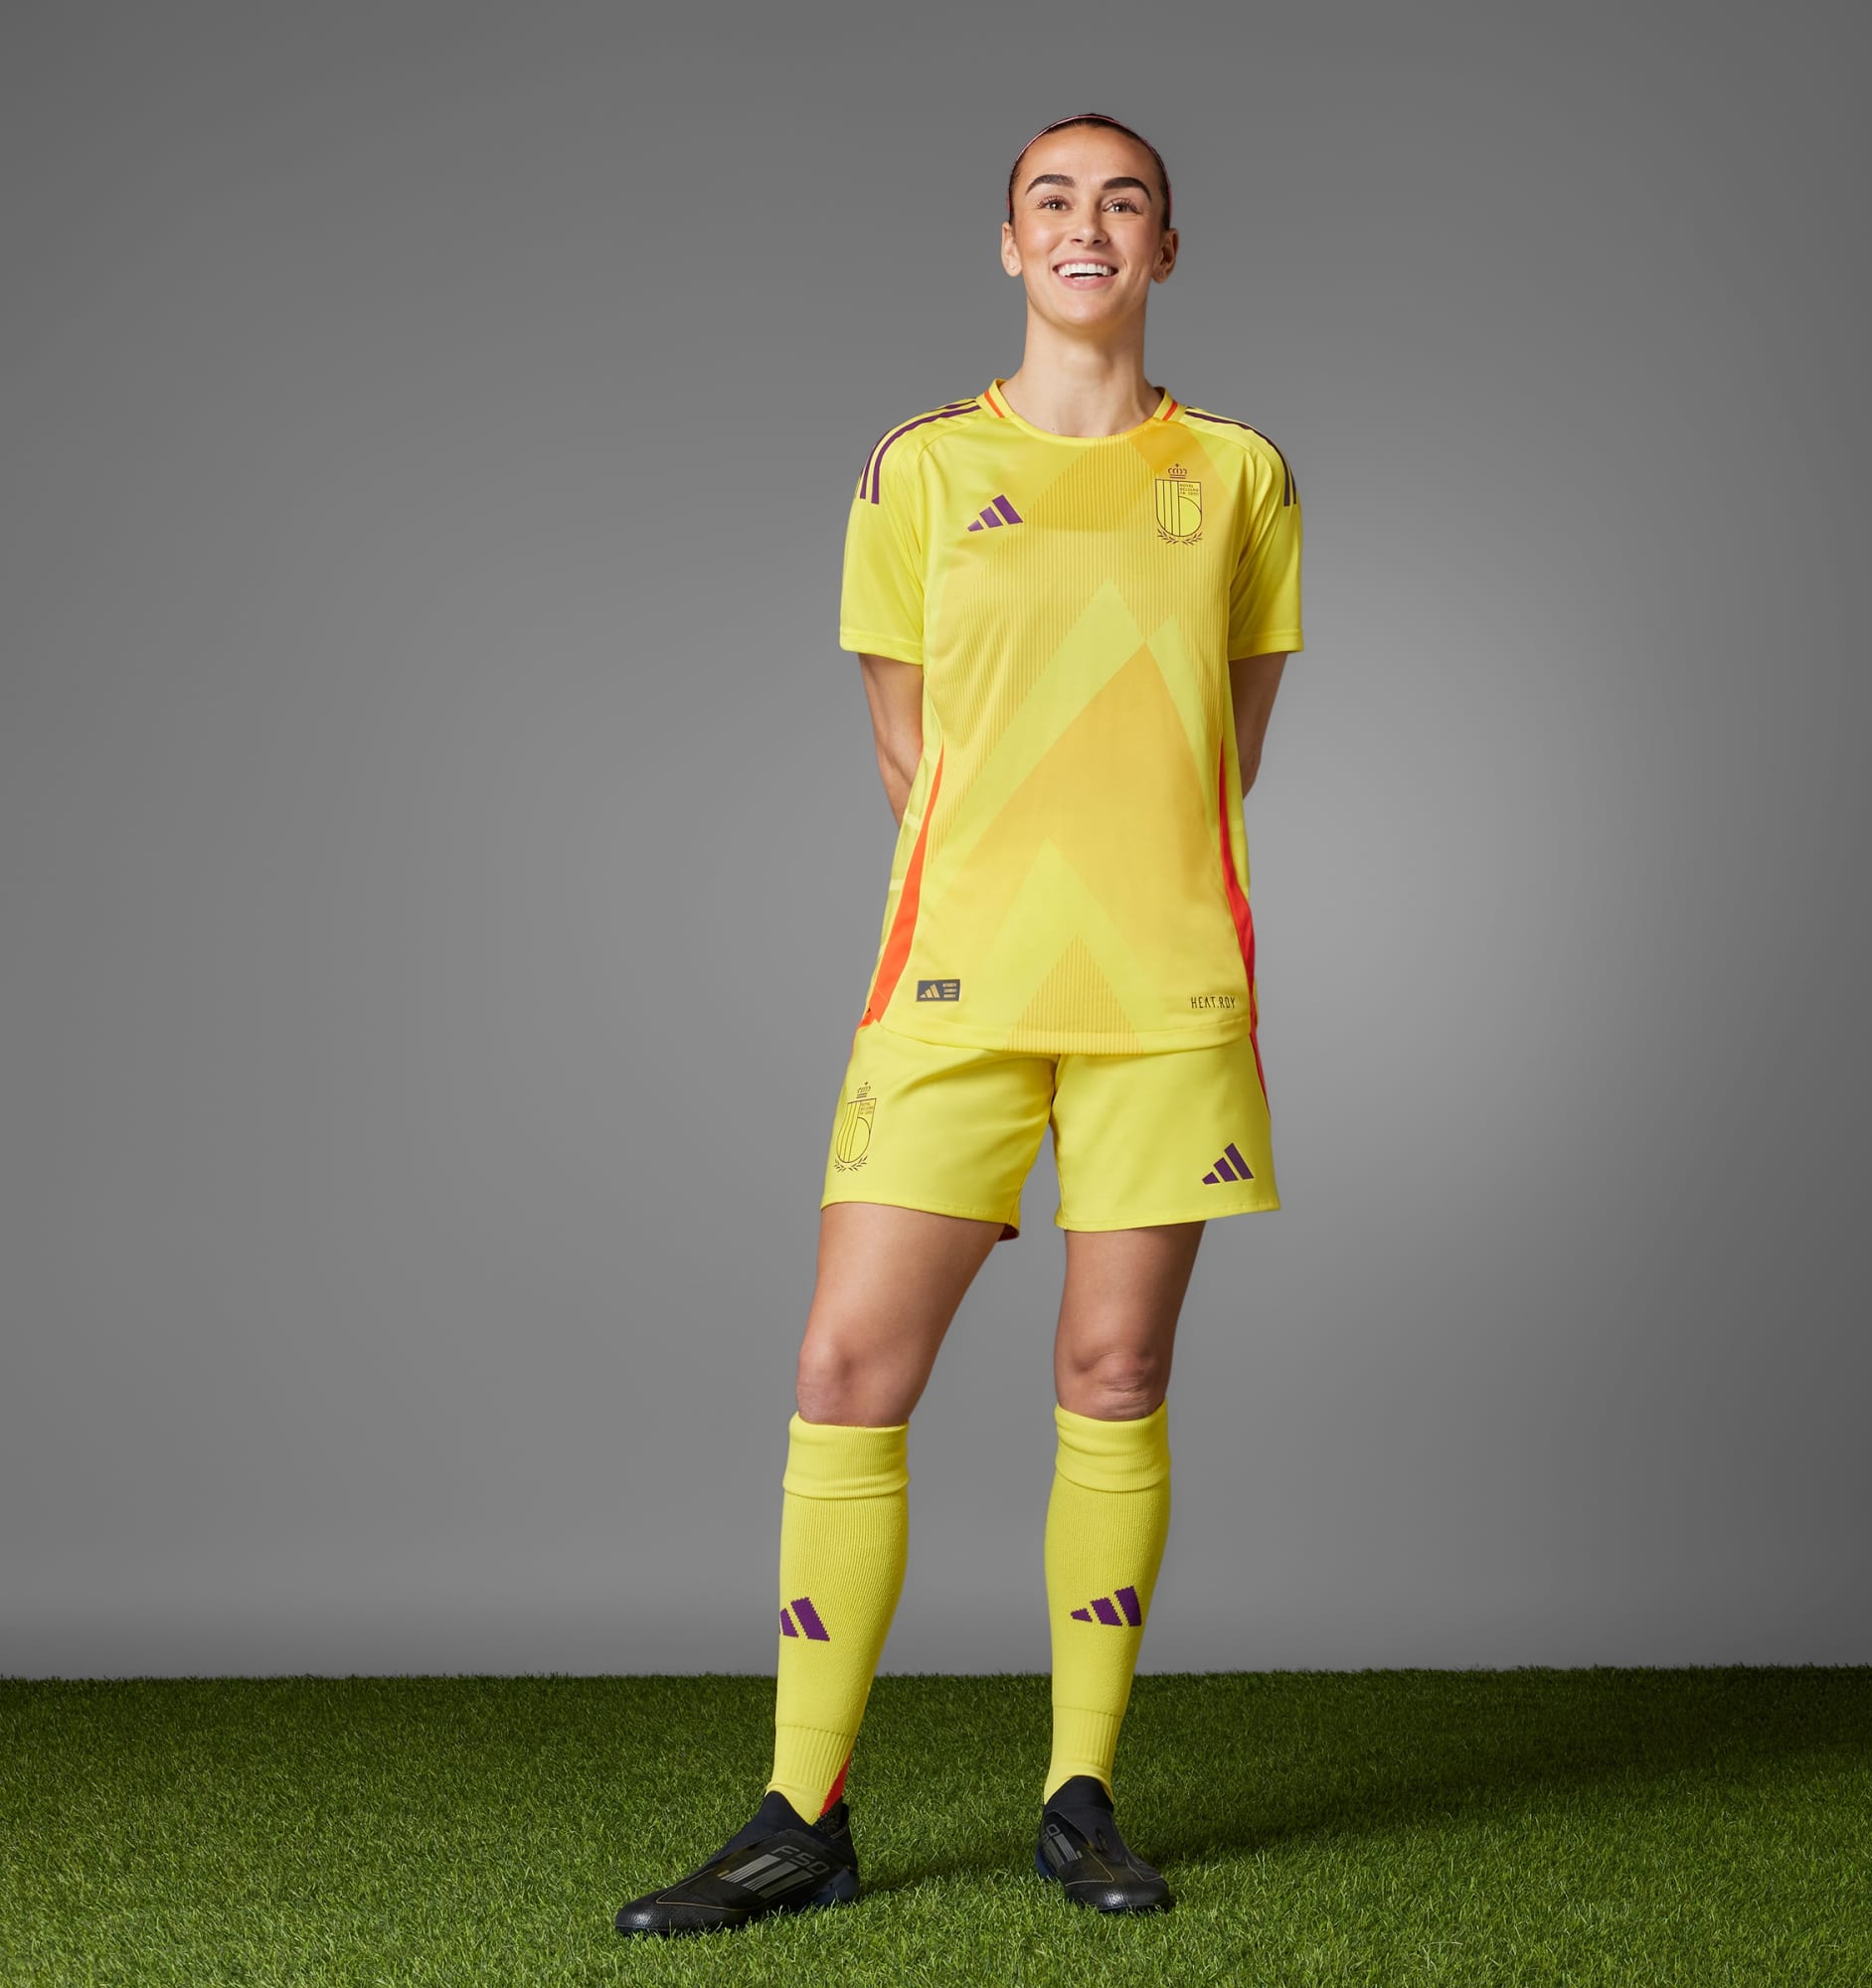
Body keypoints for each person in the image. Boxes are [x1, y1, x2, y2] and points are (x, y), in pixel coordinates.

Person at [615, 110, 1302, 1937]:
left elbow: (1228, 742)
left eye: (1124, 201)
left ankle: (1081, 1795)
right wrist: (1010, 885)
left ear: (1167, 247)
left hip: (1164, 994)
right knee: (848, 1372)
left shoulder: (1240, 473)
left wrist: (1126, 875)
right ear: (1009, 244)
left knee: (1116, 1376)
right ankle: (801, 1811)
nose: (1088, 226)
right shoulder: (916, 467)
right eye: (1052, 200)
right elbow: (903, 743)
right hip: (956, 985)